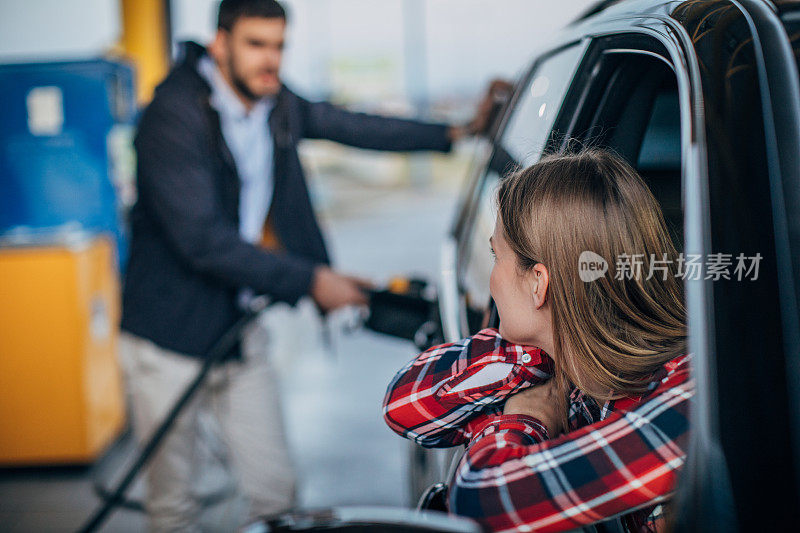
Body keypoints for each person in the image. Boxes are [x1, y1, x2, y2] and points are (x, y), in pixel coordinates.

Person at [119, 0, 499, 529]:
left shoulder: (274, 101)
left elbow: (351, 125)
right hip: (166, 338)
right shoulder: (172, 116)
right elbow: (202, 240)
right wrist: (311, 280)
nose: (270, 61)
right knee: (174, 504)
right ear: (220, 45)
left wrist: (454, 134)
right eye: (256, 45)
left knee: (277, 492)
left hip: (237, 331)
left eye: (278, 46)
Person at [383, 149, 692, 532]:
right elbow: (403, 405)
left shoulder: (686, 399)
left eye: (496, 256)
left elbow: (481, 502)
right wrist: (536, 355)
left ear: (538, 283)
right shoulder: (575, 372)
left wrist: (525, 419)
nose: (492, 279)